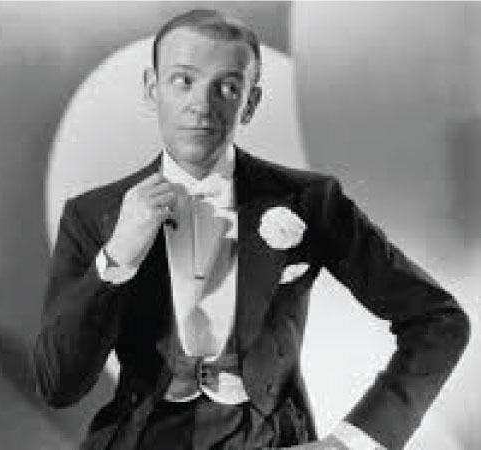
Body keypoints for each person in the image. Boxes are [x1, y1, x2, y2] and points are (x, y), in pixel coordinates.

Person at [33, 9, 470, 450]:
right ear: (152, 89)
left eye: (227, 87)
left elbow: (439, 321)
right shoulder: (93, 215)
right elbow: (59, 385)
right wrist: (116, 258)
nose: (202, 105)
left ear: (251, 102)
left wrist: (353, 442)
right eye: (183, 80)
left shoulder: (309, 200)